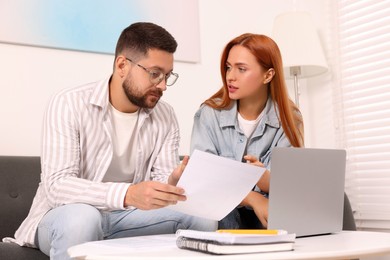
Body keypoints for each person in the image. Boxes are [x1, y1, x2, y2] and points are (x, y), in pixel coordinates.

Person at [7, 22, 217, 259]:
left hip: (128, 217)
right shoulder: (68, 103)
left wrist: (171, 182)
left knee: (202, 218)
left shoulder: (165, 115)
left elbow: (157, 184)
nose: (163, 85)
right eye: (155, 73)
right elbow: (58, 186)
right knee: (83, 219)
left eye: (168, 76)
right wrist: (127, 194)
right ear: (122, 65)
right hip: (65, 216)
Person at [190, 33, 304, 230]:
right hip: (222, 211)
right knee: (224, 213)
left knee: (291, 219)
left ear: (268, 75)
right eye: (228, 67)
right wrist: (252, 198)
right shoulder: (208, 115)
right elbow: (203, 182)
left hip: (269, 212)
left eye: (241, 69)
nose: (230, 76)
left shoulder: (289, 118)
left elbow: (290, 187)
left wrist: (263, 178)